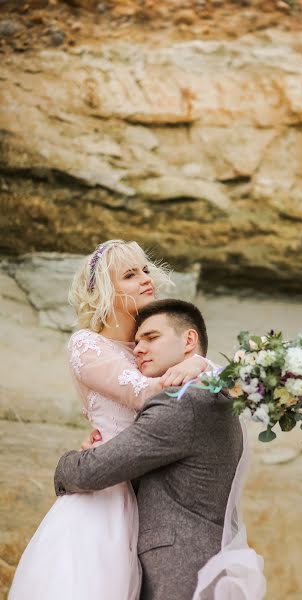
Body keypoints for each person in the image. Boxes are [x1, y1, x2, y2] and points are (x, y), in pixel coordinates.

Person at [8, 240, 215, 600]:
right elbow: (142, 393)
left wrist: (199, 363)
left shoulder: (148, 351)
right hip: (102, 496)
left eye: (146, 270)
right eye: (130, 275)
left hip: (144, 497)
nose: (145, 279)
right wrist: (196, 364)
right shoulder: (88, 345)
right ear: (106, 289)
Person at [55, 299, 266, 600]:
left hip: (178, 570)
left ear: (189, 340)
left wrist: (67, 463)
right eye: (137, 340)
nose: (138, 348)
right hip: (202, 560)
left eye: (151, 338)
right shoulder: (217, 396)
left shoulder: (184, 402)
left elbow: (93, 471)